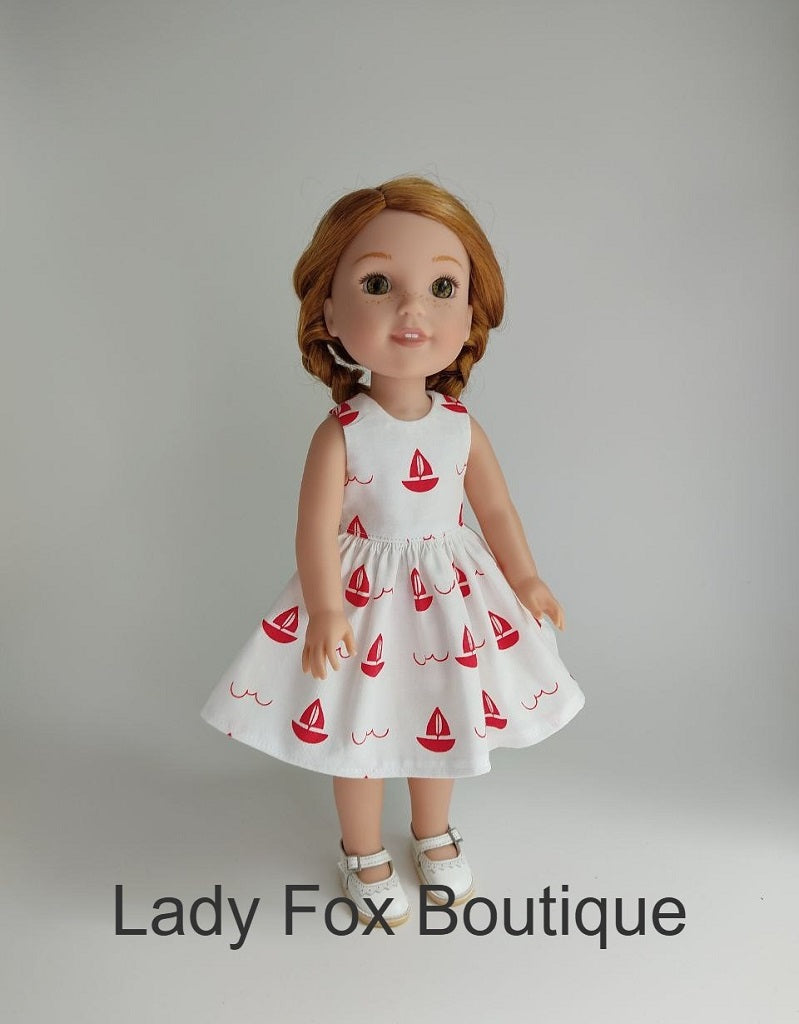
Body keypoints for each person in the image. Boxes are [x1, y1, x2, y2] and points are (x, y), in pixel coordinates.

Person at [200, 176, 586, 928]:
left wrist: (526, 577)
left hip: (447, 594)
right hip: (364, 600)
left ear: (470, 313)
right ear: (328, 313)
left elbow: (494, 508)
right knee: (360, 726)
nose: (413, 310)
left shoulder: (459, 426)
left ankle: (432, 831)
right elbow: (314, 529)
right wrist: (323, 608)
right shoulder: (343, 433)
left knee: (444, 709)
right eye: (378, 285)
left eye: (442, 288)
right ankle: (361, 848)